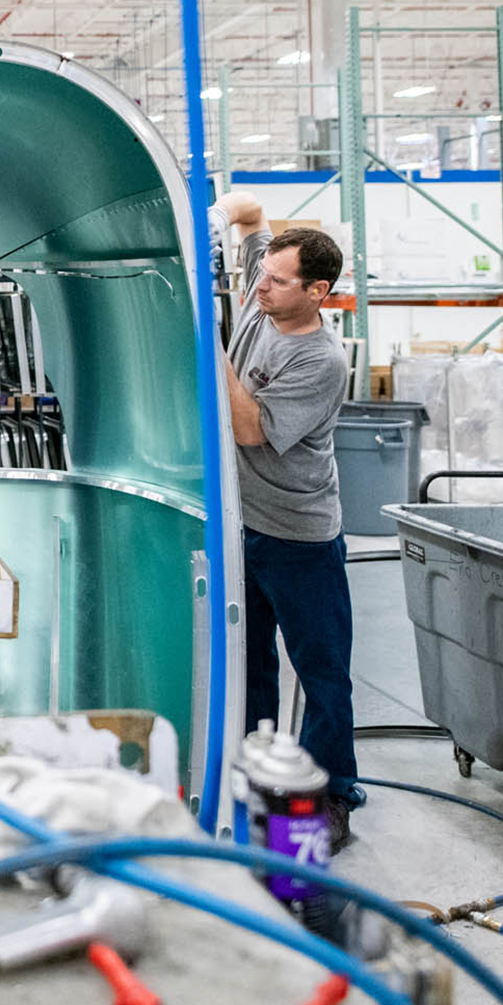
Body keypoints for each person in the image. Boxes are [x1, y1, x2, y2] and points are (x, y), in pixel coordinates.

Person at [210, 191, 358, 849]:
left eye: (276, 281)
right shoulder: (265, 284)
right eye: (260, 274)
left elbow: (249, 429)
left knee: (321, 670)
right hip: (243, 526)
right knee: (251, 663)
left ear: (317, 291)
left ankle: (332, 794)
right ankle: (261, 771)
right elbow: (247, 212)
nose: (260, 286)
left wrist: (203, 341)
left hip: (298, 535)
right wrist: (221, 211)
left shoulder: (320, 360)